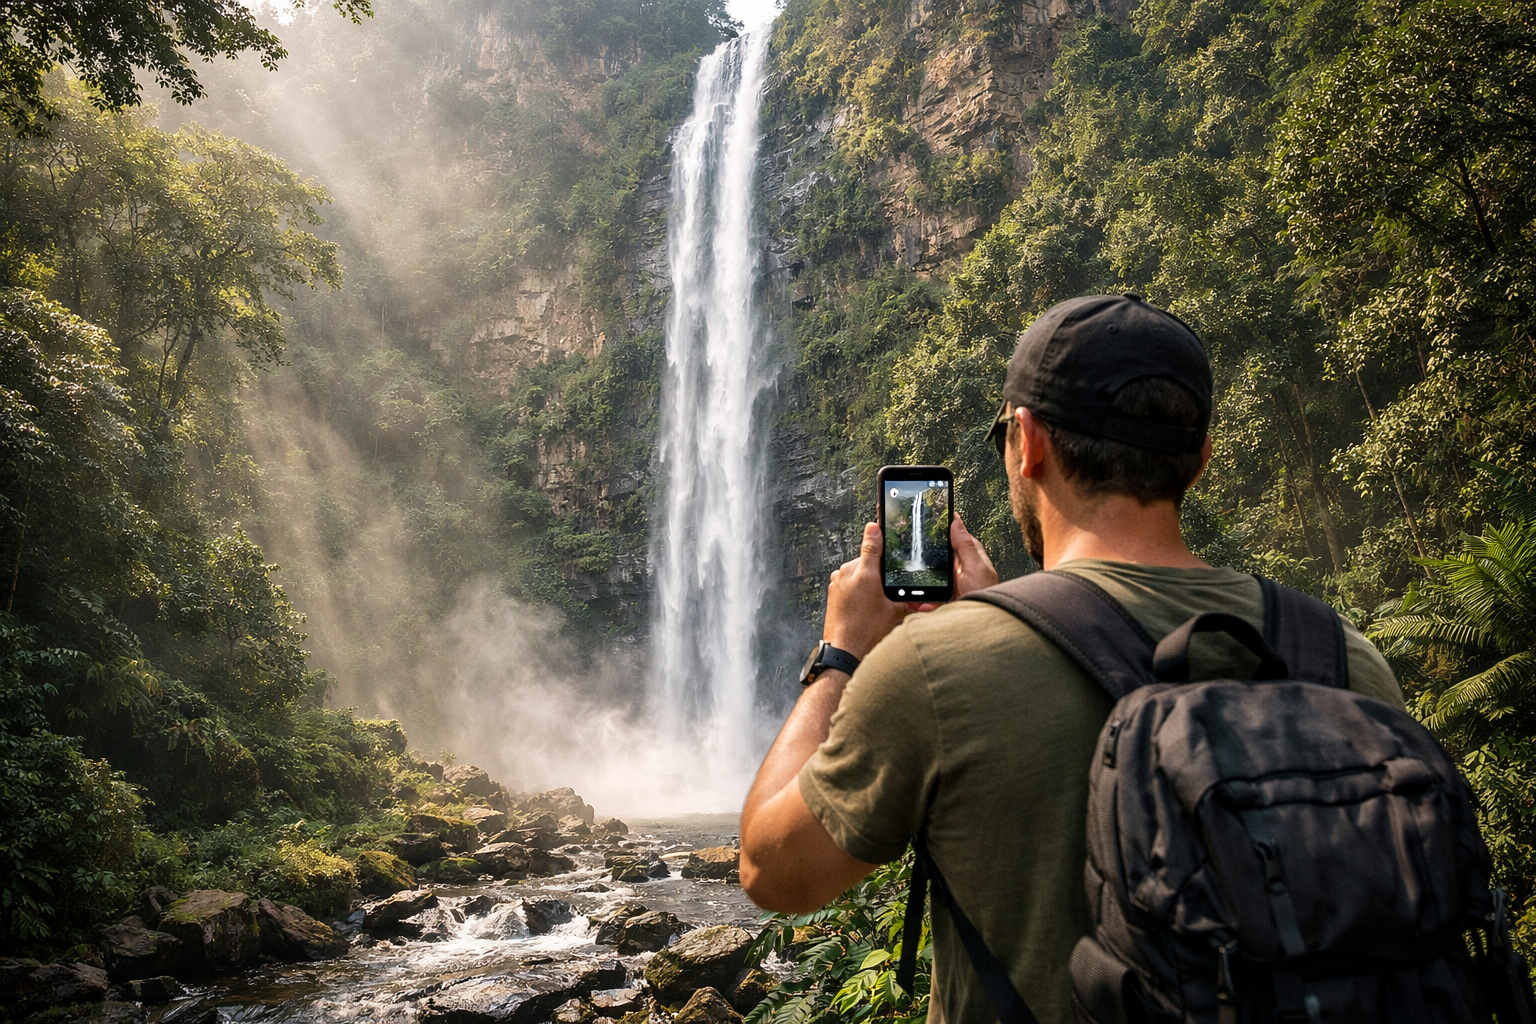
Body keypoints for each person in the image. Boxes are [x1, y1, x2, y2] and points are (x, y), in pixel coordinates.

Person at [738, 294, 1406, 1024]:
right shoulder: (1344, 659)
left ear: (1027, 443)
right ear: (1201, 459)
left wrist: (842, 654)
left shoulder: (938, 669)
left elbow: (773, 871)